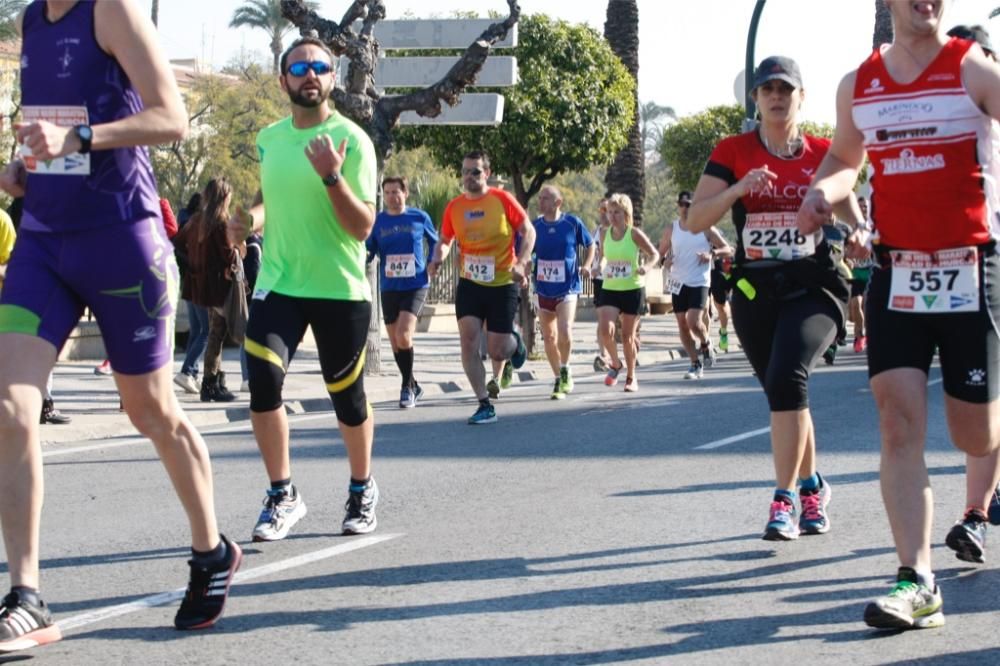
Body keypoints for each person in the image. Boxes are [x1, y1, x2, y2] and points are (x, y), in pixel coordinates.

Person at [0, 0, 241, 650]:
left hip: (121, 241)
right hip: (44, 242)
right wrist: (28, 171)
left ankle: (210, 549)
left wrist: (80, 139)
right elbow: (54, 126)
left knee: (151, 411)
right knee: (10, 408)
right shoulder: (30, 19)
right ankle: (26, 595)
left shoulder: (111, 9)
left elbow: (173, 118)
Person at [797, 1, 1000, 630]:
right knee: (897, 423)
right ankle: (916, 578)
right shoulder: (859, 82)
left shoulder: (972, 69)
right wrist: (821, 192)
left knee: (976, 437)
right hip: (897, 271)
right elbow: (842, 159)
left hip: (971, 267)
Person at [688, 55, 855, 543]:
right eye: (768, 90)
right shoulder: (733, 150)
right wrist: (739, 188)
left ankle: (783, 501)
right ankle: (812, 485)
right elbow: (695, 220)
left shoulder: (826, 152)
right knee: (784, 394)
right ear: (756, 99)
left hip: (814, 284)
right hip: (754, 288)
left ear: (802, 98)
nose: (777, 97)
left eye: (786, 89)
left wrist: (850, 224)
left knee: (788, 376)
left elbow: (851, 208)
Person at [229, 36, 380, 541]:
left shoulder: (353, 140)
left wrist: (332, 177)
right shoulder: (270, 139)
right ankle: (282, 493)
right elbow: (268, 199)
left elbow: (361, 227)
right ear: (283, 80)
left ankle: (361, 488)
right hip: (279, 282)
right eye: (299, 67)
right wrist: (245, 222)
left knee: (347, 398)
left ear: (332, 78)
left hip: (338, 286)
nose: (310, 74)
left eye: (320, 66)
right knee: (263, 381)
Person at [428, 150, 533, 424]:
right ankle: (484, 403)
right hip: (470, 283)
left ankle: (516, 342)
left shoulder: (502, 199)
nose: (469, 177)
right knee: (468, 342)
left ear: (486, 173)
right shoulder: (455, 207)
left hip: (501, 284)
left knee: (498, 350)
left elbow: (529, 231)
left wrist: (521, 263)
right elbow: (445, 240)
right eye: (465, 171)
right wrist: (437, 258)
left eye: (475, 171)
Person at [366, 176, 438, 408]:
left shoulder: (419, 217)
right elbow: (369, 249)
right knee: (396, 342)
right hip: (389, 287)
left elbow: (436, 242)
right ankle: (413, 384)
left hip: (415, 284)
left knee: (404, 335)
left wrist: (432, 262)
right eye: (387, 193)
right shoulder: (379, 222)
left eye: (396, 192)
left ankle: (406, 387)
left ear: (405, 193)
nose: (391, 197)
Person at [173, 179, 241, 403]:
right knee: (215, 334)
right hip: (218, 286)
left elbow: (178, 242)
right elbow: (228, 256)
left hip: (198, 284)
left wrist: (193, 262)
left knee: (210, 332)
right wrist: (240, 248)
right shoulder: (221, 223)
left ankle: (214, 381)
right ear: (224, 197)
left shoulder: (195, 220)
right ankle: (211, 383)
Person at [658, 190, 731, 379]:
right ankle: (694, 363)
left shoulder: (706, 228)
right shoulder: (671, 229)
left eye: (688, 204)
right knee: (682, 324)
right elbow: (659, 253)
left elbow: (728, 249)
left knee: (694, 321)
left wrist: (712, 255)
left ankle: (706, 342)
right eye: (681, 204)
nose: (684, 208)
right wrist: (663, 262)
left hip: (699, 281)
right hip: (678, 282)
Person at [532, 185, 594, 399]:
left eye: (546, 198)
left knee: (564, 330)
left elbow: (590, 244)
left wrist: (586, 265)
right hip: (543, 288)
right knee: (549, 337)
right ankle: (558, 377)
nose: (541, 202)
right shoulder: (535, 226)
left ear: (558, 202)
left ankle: (566, 367)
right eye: (540, 198)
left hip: (567, 287)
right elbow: (523, 250)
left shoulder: (571, 223)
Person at [596, 193, 659, 392]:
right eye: (610, 212)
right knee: (606, 331)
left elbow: (654, 254)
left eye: (617, 213)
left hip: (632, 288)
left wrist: (647, 268)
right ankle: (616, 363)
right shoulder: (604, 234)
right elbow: (604, 258)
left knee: (627, 337)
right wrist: (599, 266)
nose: (612, 216)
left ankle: (632, 377)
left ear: (626, 214)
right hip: (611, 288)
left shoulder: (634, 234)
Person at [173, 192, 208, 392]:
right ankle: (187, 371)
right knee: (207, 330)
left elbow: (176, 245)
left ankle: (191, 372)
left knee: (196, 329)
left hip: (186, 280)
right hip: (200, 281)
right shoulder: (199, 224)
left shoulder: (184, 222)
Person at [848, 195, 873, 353]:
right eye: (861, 206)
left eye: (865, 206)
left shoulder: (873, 226)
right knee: (856, 305)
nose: (863, 208)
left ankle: (866, 334)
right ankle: (859, 334)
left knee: (867, 305)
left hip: (870, 272)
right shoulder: (849, 226)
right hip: (855, 273)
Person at [591, 199, 612, 372]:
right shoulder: (596, 231)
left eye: (607, 209)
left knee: (616, 320)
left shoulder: (619, 232)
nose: (604, 213)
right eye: (601, 209)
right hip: (599, 280)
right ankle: (603, 354)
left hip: (616, 280)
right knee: (602, 318)